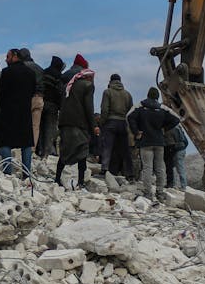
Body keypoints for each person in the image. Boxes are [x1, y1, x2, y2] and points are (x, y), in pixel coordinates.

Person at [128, 87, 179, 201]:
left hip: (145, 141)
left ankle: (148, 193)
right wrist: (164, 128)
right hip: (159, 142)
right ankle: (160, 192)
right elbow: (176, 119)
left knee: (147, 168)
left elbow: (129, 116)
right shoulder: (162, 108)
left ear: (148, 95)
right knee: (160, 167)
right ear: (157, 97)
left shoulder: (140, 106)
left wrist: (136, 131)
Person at [56, 55, 97, 188]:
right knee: (82, 151)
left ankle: (57, 178)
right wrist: (94, 126)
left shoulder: (69, 85)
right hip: (79, 124)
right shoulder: (88, 86)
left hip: (65, 121)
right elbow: (89, 108)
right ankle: (80, 182)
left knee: (65, 151)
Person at [0, 48, 37, 178]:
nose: (6, 59)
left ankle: (8, 172)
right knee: (26, 142)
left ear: (15, 56)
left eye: (7, 56)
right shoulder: (30, 73)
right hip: (25, 111)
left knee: (4, 141)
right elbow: (33, 91)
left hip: (8, 111)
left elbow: (1, 93)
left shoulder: (7, 72)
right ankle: (26, 174)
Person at [98, 73, 134, 181]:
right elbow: (130, 112)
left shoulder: (107, 92)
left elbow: (104, 109)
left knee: (107, 147)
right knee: (125, 150)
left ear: (110, 81)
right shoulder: (127, 94)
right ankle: (130, 174)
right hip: (123, 123)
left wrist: (102, 123)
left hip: (111, 122)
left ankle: (104, 169)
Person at [38, 56, 64, 158]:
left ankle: (40, 149)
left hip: (42, 101)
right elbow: (60, 92)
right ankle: (48, 151)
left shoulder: (44, 72)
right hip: (52, 105)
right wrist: (60, 106)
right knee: (50, 128)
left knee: (40, 127)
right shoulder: (58, 76)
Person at [20, 48, 45, 152]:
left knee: (22, 123)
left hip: (24, 97)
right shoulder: (39, 68)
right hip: (38, 97)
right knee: (35, 125)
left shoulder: (21, 67)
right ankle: (31, 150)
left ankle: (21, 147)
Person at [164, 120, 189, 190]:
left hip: (177, 150)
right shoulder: (178, 127)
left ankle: (182, 186)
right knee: (180, 168)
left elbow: (170, 142)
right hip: (181, 149)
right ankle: (181, 185)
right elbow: (185, 141)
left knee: (178, 168)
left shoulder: (171, 129)